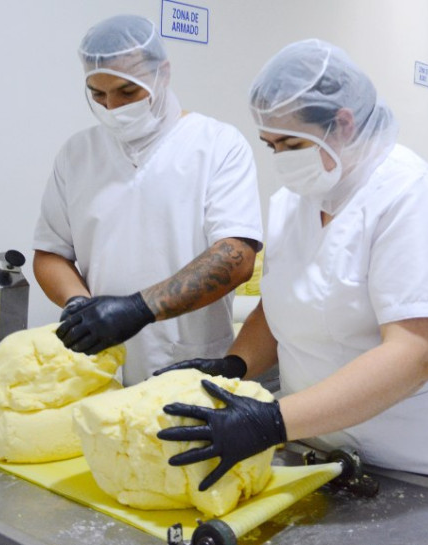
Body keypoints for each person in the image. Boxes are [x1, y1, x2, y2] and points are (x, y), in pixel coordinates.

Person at [155, 39, 428, 494]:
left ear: (343, 124)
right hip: (324, 452)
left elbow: (417, 353)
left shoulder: (411, 197)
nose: (282, 159)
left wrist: (272, 420)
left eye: (291, 143)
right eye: (272, 145)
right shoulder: (295, 200)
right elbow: (285, 301)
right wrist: (236, 364)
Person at [33, 15, 263, 385]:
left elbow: (237, 257)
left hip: (189, 363)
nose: (113, 107)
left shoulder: (216, 145)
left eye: (127, 92)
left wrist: (140, 308)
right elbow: (51, 253)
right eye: (98, 95)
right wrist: (78, 305)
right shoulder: (78, 154)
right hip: (99, 367)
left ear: (162, 74)